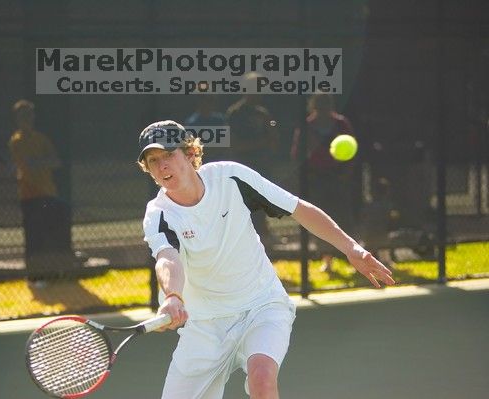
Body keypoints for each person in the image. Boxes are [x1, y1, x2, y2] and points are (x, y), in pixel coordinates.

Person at [137, 120, 394, 399]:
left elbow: (298, 209)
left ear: (189, 154)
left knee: (262, 377)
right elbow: (167, 258)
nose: (162, 166)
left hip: (261, 305)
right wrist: (173, 295)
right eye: (153, 160)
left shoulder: (232, 178)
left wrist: (351, 248)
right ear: (148, 169)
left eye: (169, 155)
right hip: (205, 324)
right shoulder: (158, 214)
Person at [291, 93, 357, 273]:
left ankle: (353, 259)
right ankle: (327, 260)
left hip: (338, 177)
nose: (323, 107)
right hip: (317, 179)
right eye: (320, 103)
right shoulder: (307, 126)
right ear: (314, 105)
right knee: (320, 220)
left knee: (344, 218)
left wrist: (346, 173)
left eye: (327, 103)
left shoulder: (341, 124)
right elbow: (297, 154)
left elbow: (352, 153)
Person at [8, 99, 68, 284]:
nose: (27, 119)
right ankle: (34, 276)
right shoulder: (16, 141)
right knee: (33, 239)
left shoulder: (41, 139)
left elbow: (55, 161)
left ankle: (51, 274)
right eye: (22, 116)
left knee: (48, 237)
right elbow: (27, 164)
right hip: (29, 196)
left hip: (47, 194)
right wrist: (40, 162)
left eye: (29, 115)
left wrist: (40, 162)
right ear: (17, 119)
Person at [226, 74, 279, 248]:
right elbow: (235, 145)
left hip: (262, 166)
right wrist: (260, 143)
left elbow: (273, 140)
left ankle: (264, 236)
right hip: (242, 166)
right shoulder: (235, 113)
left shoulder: (263, 113)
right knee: (243, 204)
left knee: (262, 203)